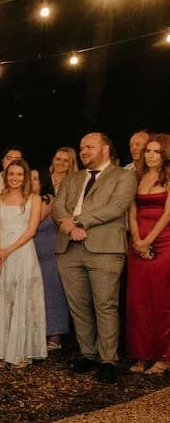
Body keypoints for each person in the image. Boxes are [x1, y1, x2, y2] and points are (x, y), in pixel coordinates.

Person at [51, 132, 139, 382]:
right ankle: (87, 354)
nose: (84, 152)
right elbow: (58, 206)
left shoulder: (124, 176)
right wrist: (68, 226)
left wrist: (78, 221)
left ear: (105, 149)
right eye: (81, 148)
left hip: (105, 249)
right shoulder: (73, 178)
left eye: (89, 147)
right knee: (78, 306)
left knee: (105, 304)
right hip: (69, 249)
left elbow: (116, 207)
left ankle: (108, 359)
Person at [0, 159, 46, 368]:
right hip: (1, 249)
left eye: (19, 174)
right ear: (5, 175)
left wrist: (6, 252)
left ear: (25, 177)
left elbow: (31, 231)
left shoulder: (34, 199)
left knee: (23, 299)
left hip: (22, 251)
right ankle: (2, 351)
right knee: (3, 297)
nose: (15, 178)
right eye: (11, 174)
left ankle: (21, 352)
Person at [125, 133, 170, 373]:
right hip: (138, 242)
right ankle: (143, 354)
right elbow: (131, 211)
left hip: (163, 241)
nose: (151, 155)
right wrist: (137, 239)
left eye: (157, 152)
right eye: (149, 151)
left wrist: (148, 241)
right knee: (138, 300)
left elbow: (168, 214)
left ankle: (163, 357)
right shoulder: (137, 176)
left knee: (161, 298)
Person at [31, 170, 71, 351]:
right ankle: (38, 333)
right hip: (31, 254)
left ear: (43, 181)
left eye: (34, 179)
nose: (30, 182)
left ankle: (55, 336)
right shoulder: (24, 200)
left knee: (52, 293)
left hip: (48, 255)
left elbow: (32, 223)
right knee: (35, 294)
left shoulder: (48, 199)